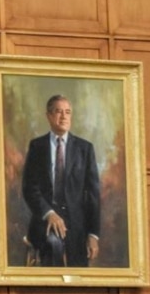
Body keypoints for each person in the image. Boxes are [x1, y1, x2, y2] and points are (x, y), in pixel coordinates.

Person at [22, 94, 100, 267]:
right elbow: (29, 188)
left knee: (78, 265)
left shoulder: (85, 149)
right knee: (53, 245)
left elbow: (93, 195)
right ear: (49, 116)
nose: (64, 116)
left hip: (77, 225)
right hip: (45, 221)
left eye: (67, 112)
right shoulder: (37, 147)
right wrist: (49, 213)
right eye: (58, 112)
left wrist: (93, 234)